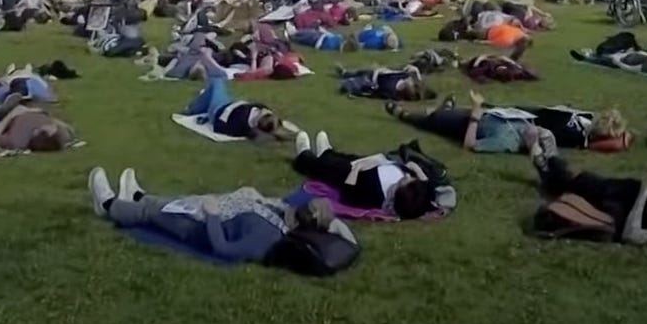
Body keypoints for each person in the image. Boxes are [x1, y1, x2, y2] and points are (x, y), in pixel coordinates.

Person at [87, 167, 350, 263]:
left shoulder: (266, 239)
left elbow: (223, 249)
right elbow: (345, 238)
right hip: (219, 207)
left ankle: (109, 205)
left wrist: (212, 215)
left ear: (299, 218)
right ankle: (137, 196)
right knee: (173, 201)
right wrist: (253, 196)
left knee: (153, 214)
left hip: (199, 225)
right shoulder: (282, 213)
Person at [290, 129, 452, 219]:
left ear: (399, 193)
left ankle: (303, 155)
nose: (407, 177)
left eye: (406, 181)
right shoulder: (420, 195)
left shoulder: (374, 195)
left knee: (326, 167)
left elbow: (348, 195)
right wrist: (415, 169)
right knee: (345, 157)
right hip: (374, 164)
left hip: (352, 174)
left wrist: (357, 169)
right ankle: (327, 152)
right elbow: (427, 185)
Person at [392, 90, 549, 155]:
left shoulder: (507, 142)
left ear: (531, 143)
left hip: (466, 124)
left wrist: (475, 113)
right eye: (541, 129)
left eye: (537, 134)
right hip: (481, 113)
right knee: (442, 113)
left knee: (434, 119)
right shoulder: (526, 123)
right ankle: (446, 108)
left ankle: (405, 116)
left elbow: (470, 145)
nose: (537, 128)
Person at [182, 70, 289, 142]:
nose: (266, 110)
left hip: (217, 110)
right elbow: (261, 106)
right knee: (215, 91)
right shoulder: (256, 115)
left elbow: (219, 127)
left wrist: (208, 117)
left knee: (217, 82)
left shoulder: (242, 121)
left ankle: (192, 109)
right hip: (229, 104)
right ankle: (202, 99)